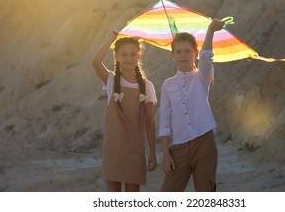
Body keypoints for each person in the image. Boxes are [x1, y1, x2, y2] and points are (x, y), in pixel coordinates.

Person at [159, 19, 225, 192]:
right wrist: (166, 155)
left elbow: (207, 56)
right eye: (178, 51)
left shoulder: (202, 77)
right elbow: (164, 124)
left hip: (205, 142)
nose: (183, 55)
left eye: (188, 51)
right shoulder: (167, 84)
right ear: (173, 55)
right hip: (179, 147)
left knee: (205, 192)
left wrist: (210, 30)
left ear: (195, 53)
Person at [92, 31, 157, 192]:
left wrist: (152, 153)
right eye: (124, 54)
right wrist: (112, 38)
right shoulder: (111, 80)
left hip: (136, 150)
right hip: (113, 149)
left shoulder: (147, 86)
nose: (129, 58)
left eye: (133, 54)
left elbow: (150, 122)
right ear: (116, 57)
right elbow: (95, 61)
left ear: (139, 57)